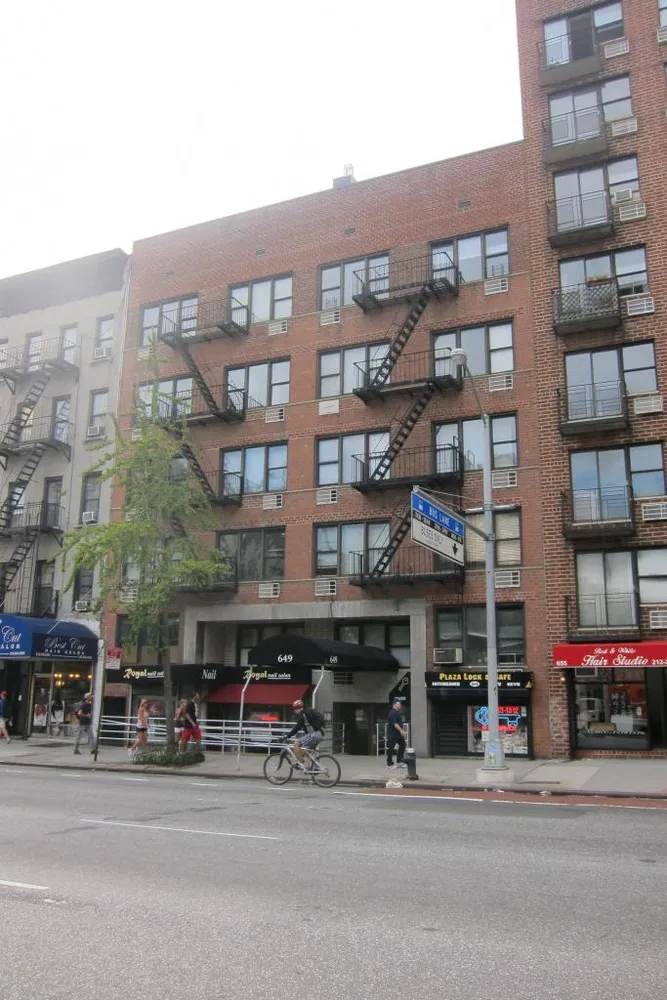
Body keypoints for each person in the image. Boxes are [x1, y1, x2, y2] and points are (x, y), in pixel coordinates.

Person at [386, 698, 407, 768]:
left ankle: (399, 761)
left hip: (397, 734)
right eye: (399, 703)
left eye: (400, 703)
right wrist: (401, 731)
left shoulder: (397, 712)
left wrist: (402, 730)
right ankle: (389, 764)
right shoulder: (392, 712)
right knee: (391, 748)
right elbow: (395, 724)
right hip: (392, 734)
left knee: (403, 744)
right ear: (394, 704)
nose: (400, 705)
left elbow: (399, 723)